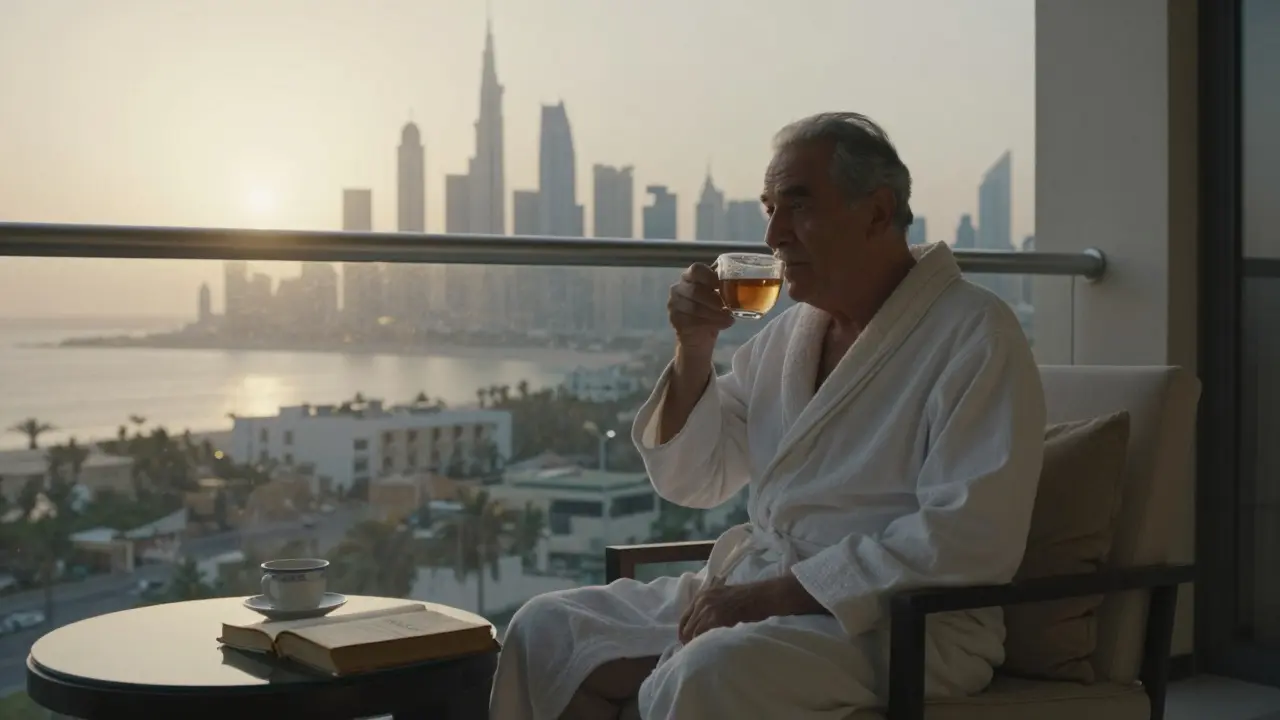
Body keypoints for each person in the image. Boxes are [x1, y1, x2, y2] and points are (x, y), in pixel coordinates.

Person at [490, 112, 1046, 720]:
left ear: (878, 212)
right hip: (760, 589)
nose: (775, 233)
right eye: (769, 209)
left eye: (798, 206)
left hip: (899, 623)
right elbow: (696, 480)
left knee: (709, 674)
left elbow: (967, 538)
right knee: (545, 630)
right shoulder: (787, 340)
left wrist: (776, 595)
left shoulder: (974, 334)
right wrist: (694, 349)